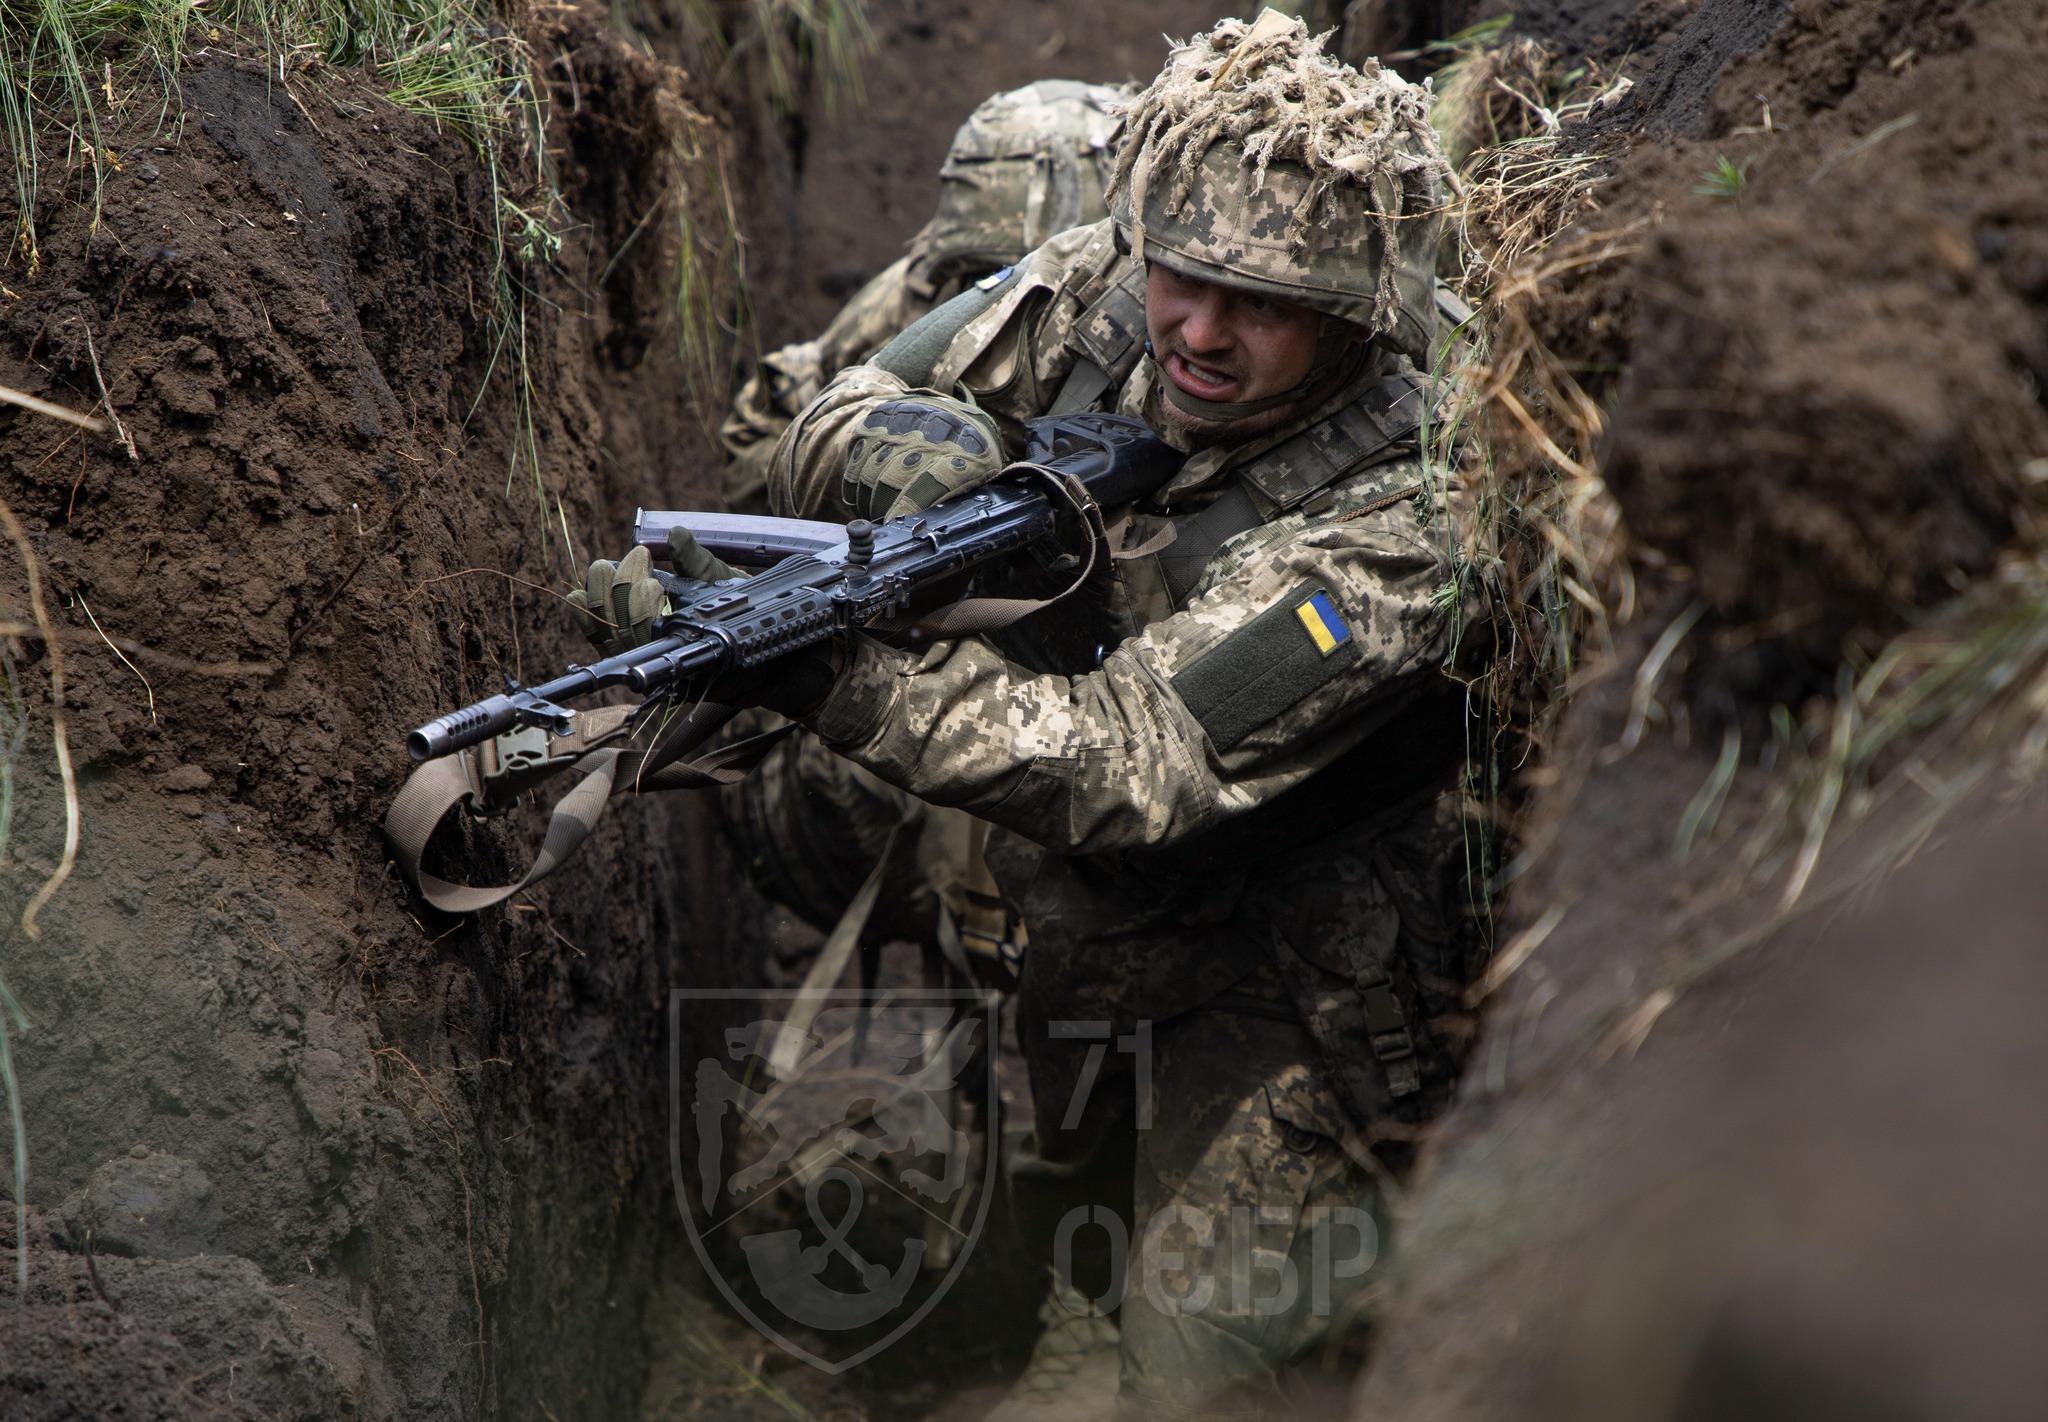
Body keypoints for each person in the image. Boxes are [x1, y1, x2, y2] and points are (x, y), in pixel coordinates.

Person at [578, 11, 1485, 1416]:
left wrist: (835, 677)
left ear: (1353, 308)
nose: (1195, 331)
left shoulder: (1415, 505)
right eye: (1180, 277)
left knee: (1207, 1362)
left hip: (1303, 972)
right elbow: (847, 395)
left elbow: (1142, 755)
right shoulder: (1118, 281)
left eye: (1259, 304)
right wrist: (924, 474)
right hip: (1095, 917)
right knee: (1090, 1212)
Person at [720, 79, 1129, 509]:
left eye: (1035, 277)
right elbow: (782, 412)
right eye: (989, 273)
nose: (1007, 296)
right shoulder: (910, 301)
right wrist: (856, 467)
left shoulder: (1135, 326)